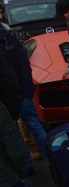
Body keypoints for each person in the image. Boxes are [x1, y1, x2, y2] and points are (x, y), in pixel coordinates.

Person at [0, 7, 49, 165]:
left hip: (18, 96)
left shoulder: (9, 38)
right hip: (8, 98)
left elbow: (24, 66)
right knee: (19, 132)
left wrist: (27, 92)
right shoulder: (9, 37)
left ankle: (48, 160)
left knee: (27, 129)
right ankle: (29, 164)